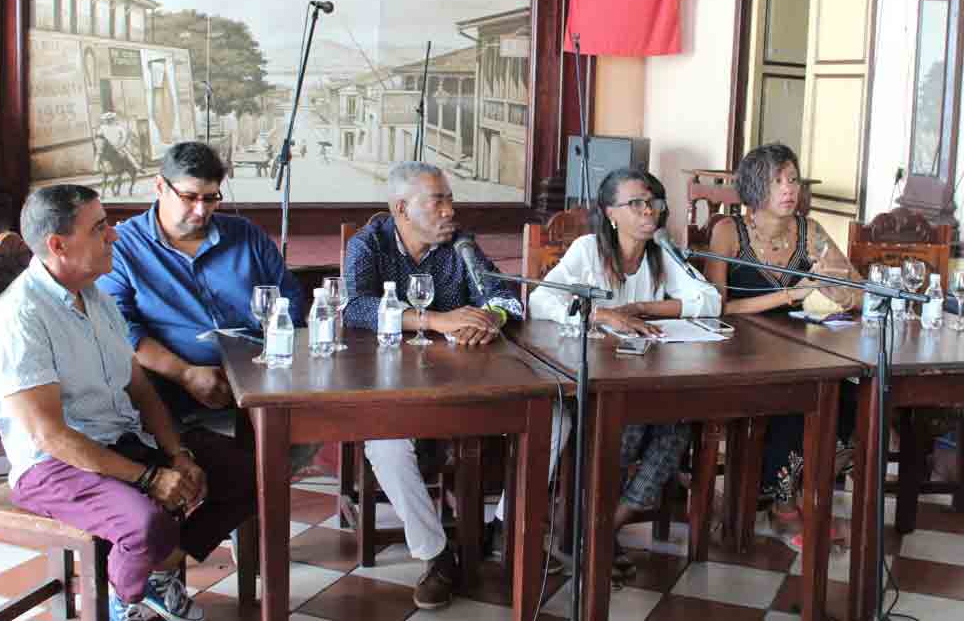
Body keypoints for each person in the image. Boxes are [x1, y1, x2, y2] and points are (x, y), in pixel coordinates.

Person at [0, 185, 257, 621]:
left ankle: (156, 575)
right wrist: (149, 478)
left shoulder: (96, 298)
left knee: (248, 472)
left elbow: (140, 389)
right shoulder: (19, 318)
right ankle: (126, 600)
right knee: (145, 524)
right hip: (52, 466)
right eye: (99, 228)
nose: (114, 235)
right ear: (58, 245)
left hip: (119, 440)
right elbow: (51, 437)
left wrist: (177, 455)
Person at [343, 161, 571, 610]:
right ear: (402, 208)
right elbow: (357, 308)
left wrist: (492, 318)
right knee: (385, 445)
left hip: (465, 382)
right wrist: (436, 320)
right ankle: (436, 555)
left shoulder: (460, 245)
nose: (449, 210)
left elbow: (505, 297)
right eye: (438, 201)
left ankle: (502, 527)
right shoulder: (368, 244)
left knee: (558, 416)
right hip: (392, 384)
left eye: (450, 199)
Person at [529, 168, 721, 585]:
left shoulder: (660, 252)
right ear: (610, 213)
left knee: (678, 428)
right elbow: (540, 299)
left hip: (645, 381)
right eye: (636, 203)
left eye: (653, 202)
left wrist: (643, 309)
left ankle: (601, 529)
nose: (648, 211)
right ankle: (590, 528)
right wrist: (600, 314)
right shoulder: (589, 250)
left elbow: (709, 301)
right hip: (591, 385)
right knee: (625, 428)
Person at [96, 141, 314, 468]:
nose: (201, 211)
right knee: (209, 459)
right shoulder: (122, 246)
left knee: (311, 423)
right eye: (189, 197)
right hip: (171, 384)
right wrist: (186, 374)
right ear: (160, 186)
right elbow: (119, 328)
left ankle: (256, 486)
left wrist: (272, 355)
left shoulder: (245, 235)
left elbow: (289, 299)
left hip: (260, 373)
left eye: (210, 198)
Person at [706, 142, 860, 536]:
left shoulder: (810, 232)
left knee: (851, 397)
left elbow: (857, 291)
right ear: (755, 187)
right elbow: (715, 307)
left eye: (793, 179)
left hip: (795, 346)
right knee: (797, 397)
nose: (789, 189)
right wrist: (791, 294)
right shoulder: (729, 232)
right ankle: (783, 500)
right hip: (737, 349)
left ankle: (799, 489)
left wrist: (837, 287)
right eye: (777, 181)